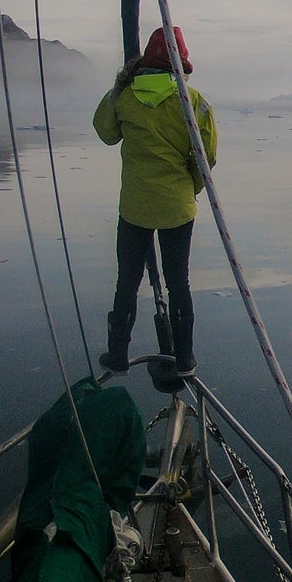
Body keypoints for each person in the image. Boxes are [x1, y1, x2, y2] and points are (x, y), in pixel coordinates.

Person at [92, 25, 217, 377]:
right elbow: (206, 157)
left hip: (134, 207)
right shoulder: (194, 103)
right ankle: (185, 358)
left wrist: (117, 88)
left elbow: (105, 133)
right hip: (178, 207)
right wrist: (188, 188)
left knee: (127, 280)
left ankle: (117, 354)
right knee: (179, 282)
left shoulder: (125, 95)